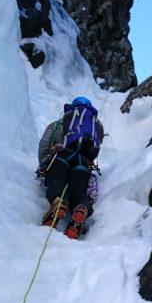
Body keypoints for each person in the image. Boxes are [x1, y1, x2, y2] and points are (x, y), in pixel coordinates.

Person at [38, 96, 104, 238]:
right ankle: (81, 207)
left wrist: (43, 164)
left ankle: (59, 202)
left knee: (57, 180)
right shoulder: (96, 126)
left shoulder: (60, 123)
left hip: (62, 156)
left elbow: (44, 143)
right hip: (82, 163)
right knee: (78, 190)